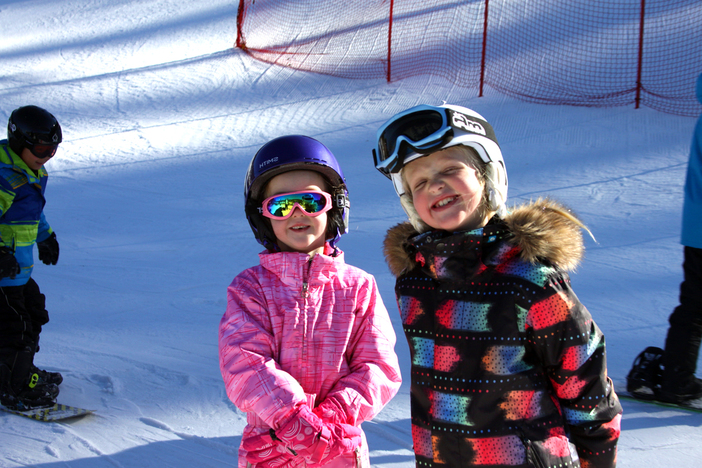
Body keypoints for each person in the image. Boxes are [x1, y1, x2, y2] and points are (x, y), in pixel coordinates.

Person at [372, 104, 622, 467]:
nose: (436, 185)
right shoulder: (415, 284)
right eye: (420, 182)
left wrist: (597, 461)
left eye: (450, 169)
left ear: (488, 176)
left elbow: (586, 389)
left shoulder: (530, 279)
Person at [219, 135, 402, 468]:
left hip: (339, 448)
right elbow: (244, 362)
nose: (297, 213)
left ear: (335, 206)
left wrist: (329, 421)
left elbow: (378, 368)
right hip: (270, 449)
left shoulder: (358, 287)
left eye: (311, 201)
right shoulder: (250, 288)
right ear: (263, 217)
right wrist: (295, 422)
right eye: (281, 205)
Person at [627, 73, 702, 404]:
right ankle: (678, 379)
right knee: (695, 306)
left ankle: (677, 376)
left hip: (696, 229)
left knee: (694, 304)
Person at [0, 105, 63, 411]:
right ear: (19, 142)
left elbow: (31, 213)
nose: (46, 156)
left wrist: (45, 236)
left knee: (34, 313)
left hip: (17, 271)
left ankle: (18, 370)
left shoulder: (31, 172)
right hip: (2, 272)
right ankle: (14, 386)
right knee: (17, 326)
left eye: (52, 150)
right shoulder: (5, 178)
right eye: (40, 148)